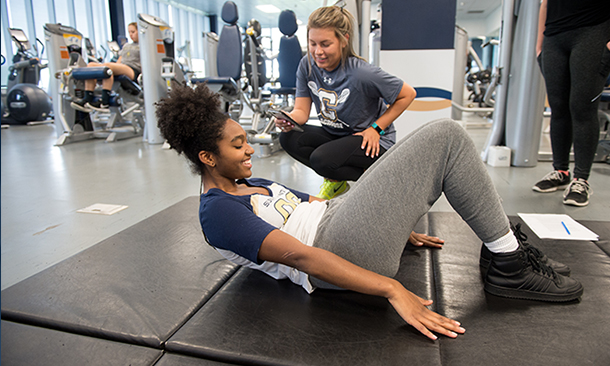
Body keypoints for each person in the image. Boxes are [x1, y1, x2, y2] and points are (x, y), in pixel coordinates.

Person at [155, 83, 583, 341]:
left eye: (245, 140)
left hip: (339, 224)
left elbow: (316, 204)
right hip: (332, 250)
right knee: (446, 136)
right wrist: (392, 290)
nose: (250, 149)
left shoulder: (251, 184)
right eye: (237, 146)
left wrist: (392, 216)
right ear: (207, 157)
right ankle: (507, 263)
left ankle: (508, 250)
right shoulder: (218, 212)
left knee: (431, 153)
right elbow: (302, 256)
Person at [274, 6, 416, 200]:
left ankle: (382, 178)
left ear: (344, 40)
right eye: (312, 43)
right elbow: (301, 111)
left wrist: (376, 129)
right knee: (288, 138)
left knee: (322, 160)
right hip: (337, 135)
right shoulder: (306, 65)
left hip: (370, 141)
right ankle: (338, 182)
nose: (318, 52)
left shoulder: (362, 73)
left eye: (325, 44)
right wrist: (289, 119)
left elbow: (407, 94)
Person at [533, 0, 610, 206]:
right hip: (554, 36)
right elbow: (545, 3)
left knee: (582, 107)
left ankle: (581, 179)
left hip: (593, 30)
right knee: (558, 107)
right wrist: (539, 45)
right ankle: (560, 171)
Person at [71, 22, 141, 113]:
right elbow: (119, 60)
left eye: (133, 32)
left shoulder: (144, 46)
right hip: (121, 67)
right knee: (91, 65)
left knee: (108, 67)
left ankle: (105, 102)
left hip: (132, 70)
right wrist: (116, 66)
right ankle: (87, 99)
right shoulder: (126, 46)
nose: (131, 35)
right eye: (129, 32)